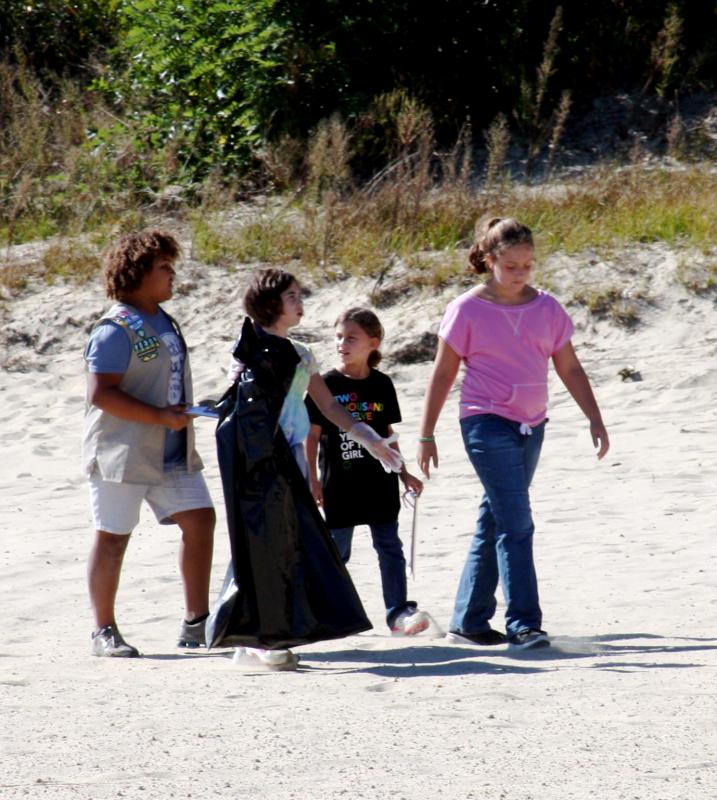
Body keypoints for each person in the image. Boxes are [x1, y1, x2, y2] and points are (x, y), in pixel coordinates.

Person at [417, 216, 609, 650]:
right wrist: (426, 433)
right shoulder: (466, 309)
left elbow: (570, 367)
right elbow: (443, 372)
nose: (520, 273)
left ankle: (468, 621)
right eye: (511, 265)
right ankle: (524, 624)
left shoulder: (547, 308)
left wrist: (594, 417)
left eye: (527, 264)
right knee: (518, 524)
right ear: (489, 260)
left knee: (498, 516)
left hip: (532, 425)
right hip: (485, 422)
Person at [224, 270, 403, 670]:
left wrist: (370, 440)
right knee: (263, 546)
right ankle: (257, 636)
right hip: (259, 465)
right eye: (292, 295)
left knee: (290, 545)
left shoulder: (302, 355)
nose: (300, 300)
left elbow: (329, 406)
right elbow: (238, 409)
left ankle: (264, 634)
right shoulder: (250, 351)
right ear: (271, 305)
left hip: (288, 463)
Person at [82, 229, 215, 658]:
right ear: (138, 273)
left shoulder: (164, 319)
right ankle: (104, 630)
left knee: (200, 521)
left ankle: (197, 623)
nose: (173, 274)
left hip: (171, 450)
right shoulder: (113, 329)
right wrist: (160, 416)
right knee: (113, 537)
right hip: (121, 453)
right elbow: (101, 393)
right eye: (164, 267)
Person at [306, 307, 432, 636]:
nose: (341, 343)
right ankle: (323, 610)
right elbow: (312, 436)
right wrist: (312, 479)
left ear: (372, 343)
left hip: (379, 483)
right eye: (338, 337)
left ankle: (398, 613)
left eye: (351, 337)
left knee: (390, 547)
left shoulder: (382, 384)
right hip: (339, 485)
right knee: (337, 551)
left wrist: (404, 472)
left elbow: (388, 434)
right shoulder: (325, 384)